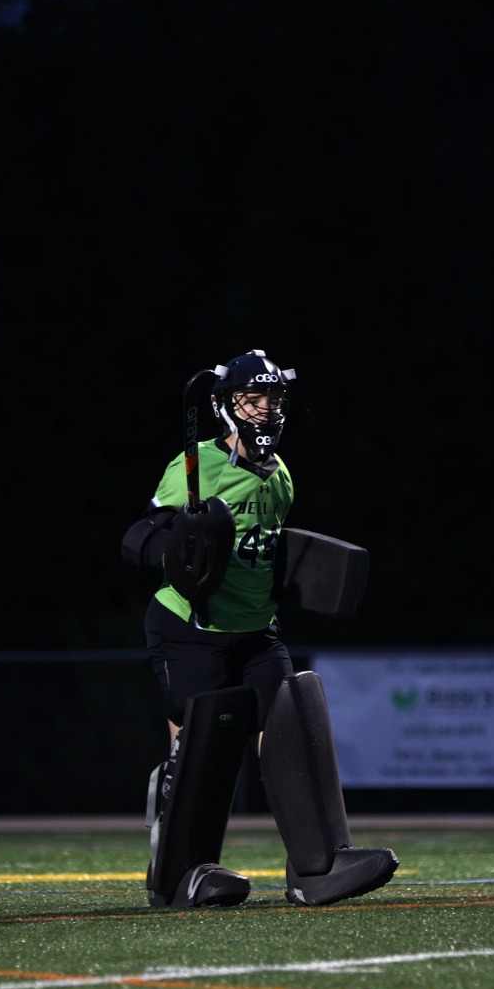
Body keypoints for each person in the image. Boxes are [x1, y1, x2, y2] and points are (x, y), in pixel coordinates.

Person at [121, 351, 396, 907]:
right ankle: (180, 875)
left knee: (294, 731)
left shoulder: (282, 477)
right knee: (199, 754)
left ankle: (316, 867)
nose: (266, 408)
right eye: (254, 397)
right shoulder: (196, 465)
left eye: (273, 398)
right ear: (227, 405)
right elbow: (139, 537)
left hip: (255, 630)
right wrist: (176, 549)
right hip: (191, 627)